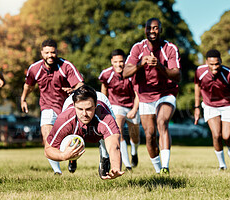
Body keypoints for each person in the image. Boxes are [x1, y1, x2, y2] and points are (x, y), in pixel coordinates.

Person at [123, 18, 181, 175]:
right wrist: (140, 64)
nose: (152, 31)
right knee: (149, 135)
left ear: (160, 30)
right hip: (145, 95)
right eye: (149, 28)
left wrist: (160, 66)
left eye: (156, 28)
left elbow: (177, 75)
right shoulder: (137, 48)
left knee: (162, 122)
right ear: (145, 30)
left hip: (166, 93)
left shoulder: (169, 48)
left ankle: (165, 167)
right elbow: (125, 72)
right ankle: (158, 171)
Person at [21, 39, 84, 175]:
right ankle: (57, 171)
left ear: (57, 52)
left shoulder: (66, 66)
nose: (50, 55)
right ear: (42, 53)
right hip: (47, 107)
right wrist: (23, 99)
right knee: (47, 137)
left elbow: (80, 84)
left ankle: (72, 158)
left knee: (68, 137)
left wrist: (74, 91)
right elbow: (28, 85)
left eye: (53, 52)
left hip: (66, 107)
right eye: (47, 53)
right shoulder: (34, 68)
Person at [45, 85, 124, 180]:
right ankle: (72, 159)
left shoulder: (105, 117)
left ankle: (104, 157)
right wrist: (63, 156)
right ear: (74, 105)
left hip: (102, 103)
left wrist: (115, 167)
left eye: (89, 109)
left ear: (95, 105)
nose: (84, 114)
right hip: (71, 115)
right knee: (70, 137)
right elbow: (48, 149)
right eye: (80, 109)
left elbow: (114, 145)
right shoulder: (65, 119)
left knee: (105, 137)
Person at [194, 49, 230, 170]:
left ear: (221, 61)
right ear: (206, 62)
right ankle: (222, 165)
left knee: (226, 136)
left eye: (217, 64)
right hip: (210, 105)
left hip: (228, 105)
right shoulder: (200, 71)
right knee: (216, 135)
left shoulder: (228, 73)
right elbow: (197, 86)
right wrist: (196, 107)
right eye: (211, 64)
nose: (215, 67)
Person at [98, 49, 140, 170]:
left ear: (125, 61)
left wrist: (134, 109)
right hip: (116, 106)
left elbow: (138, 94)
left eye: (121, 61)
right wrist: (103, 107)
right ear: (112, 61)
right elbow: (104, 90)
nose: (118, 64)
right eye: (115, 61)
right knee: (119, 132)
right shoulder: (106, 74)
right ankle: (127, 164)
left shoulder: (132, 73)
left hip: (132, 106)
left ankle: (134, 152)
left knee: (135, 136)